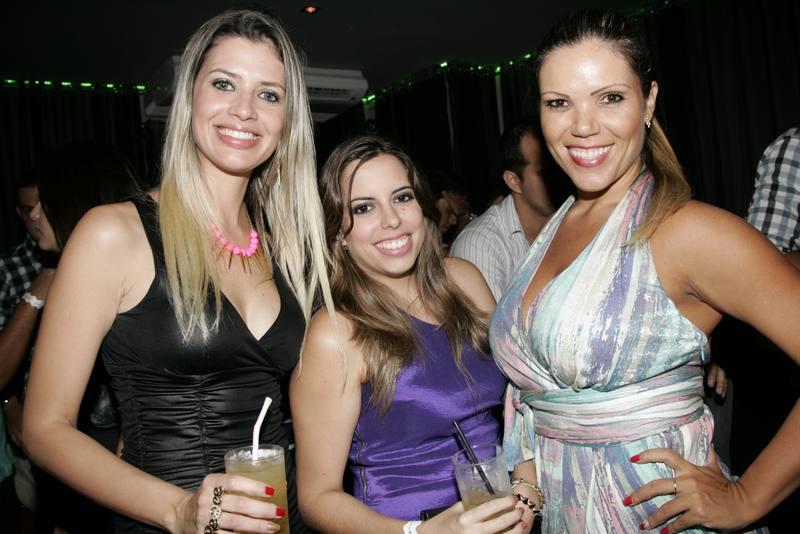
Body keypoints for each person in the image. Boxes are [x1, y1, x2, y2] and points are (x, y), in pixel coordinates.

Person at [22, 9, 331, 534]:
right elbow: (45, 428)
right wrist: (178, 510)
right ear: (189, 97)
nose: (244, 110)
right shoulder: (114, 233)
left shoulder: (286, 250)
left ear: (287, 121)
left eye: (269, 94)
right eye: (224, 84)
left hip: (283, 519)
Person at [490, 9, 797, 534]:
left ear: (649, 101)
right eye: (559, 103)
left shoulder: (687, 231)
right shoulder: (557, 228)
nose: (583, 125)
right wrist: (526, 491)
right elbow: (536, 397)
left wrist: (747, 498)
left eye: (610, 97)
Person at [290, 135, 527, 534]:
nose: (392, 220)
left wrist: (526, 493)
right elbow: (317, 499)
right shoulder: (336, 333)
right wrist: (420, 532)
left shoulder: (464, 280)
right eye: (363, 207)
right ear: (339, 233)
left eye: (401, 198)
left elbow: (518, 404)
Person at [25, 142, 140, 534]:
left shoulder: (114, 277)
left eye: (45, 202)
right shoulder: (60, 276)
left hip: (110, 478)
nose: (34, 215)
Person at [450, 117, 570, 300]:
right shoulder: (480, 244)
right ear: (514, 181)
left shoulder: (574, 222)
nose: (559, 177)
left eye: (561, 165)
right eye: (545, 172)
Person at [0, 174, 48, 532]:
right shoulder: (8, 267)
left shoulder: (90, 255)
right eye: (29, 209)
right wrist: (9, 404)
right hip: (30, 410)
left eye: (44, 207)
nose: (36, 217)